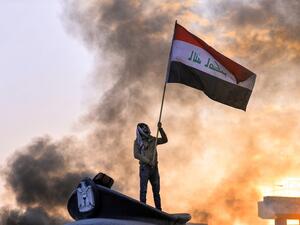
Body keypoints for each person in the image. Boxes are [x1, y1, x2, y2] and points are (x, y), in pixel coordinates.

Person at [133, 122, 168, 211]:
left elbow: (165, 140)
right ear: (140, 130)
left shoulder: (153, 139)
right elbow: (136, 155)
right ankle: (143, 210)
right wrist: (148, 161)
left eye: (146, 127)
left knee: (156, 192)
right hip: (144, 168)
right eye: (144, 128)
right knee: (143, 190)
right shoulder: (137, 142)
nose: (146, 129)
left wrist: (160, 129)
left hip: (154, 169)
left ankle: (159, 210)